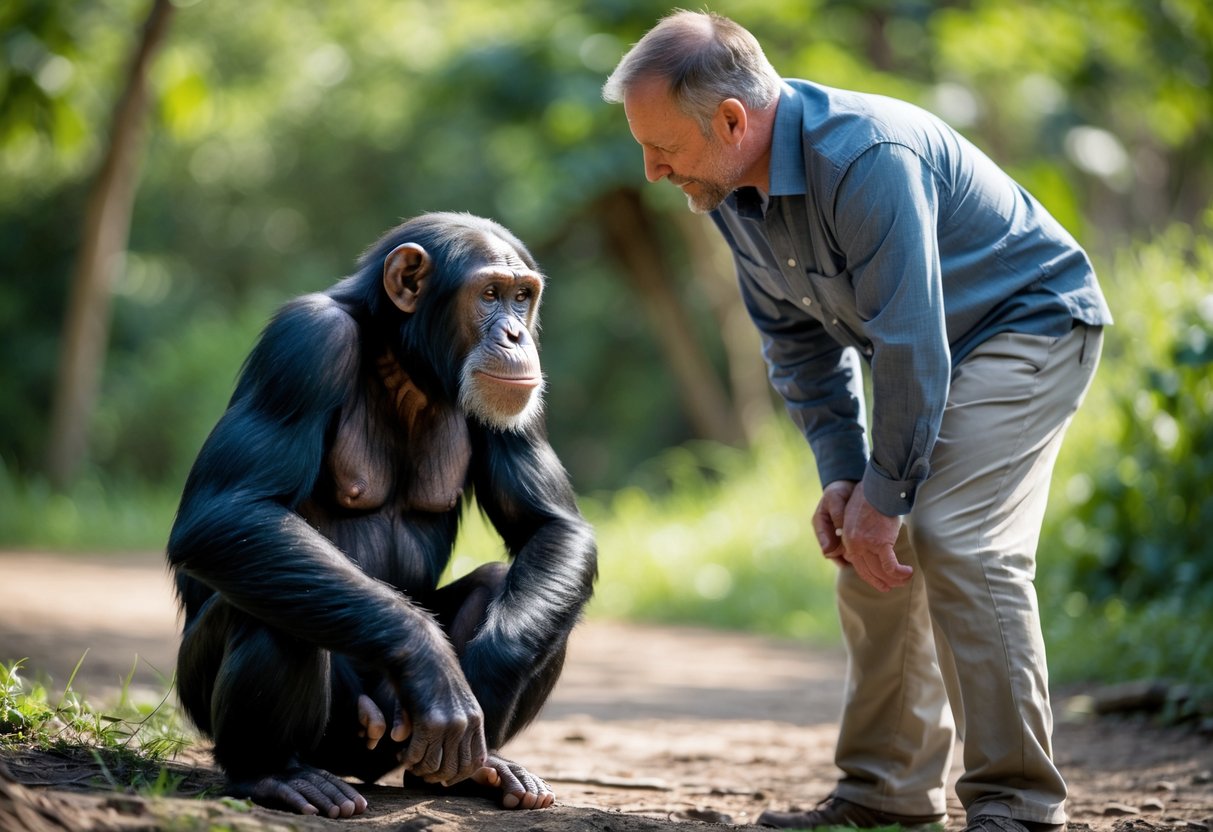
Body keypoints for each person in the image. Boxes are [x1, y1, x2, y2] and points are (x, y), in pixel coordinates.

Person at [602, 10, 1111, 832]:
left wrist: (889, 493)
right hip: (930, 352)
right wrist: (847, 481)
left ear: (732, 121)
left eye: (662, 148)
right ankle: (886, 794)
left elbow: (910, 345)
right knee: (867, 540)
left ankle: (1016, 803)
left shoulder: (864, 156)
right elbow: (798, 348)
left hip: (1028, 325)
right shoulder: (727, 188)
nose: (653, 172)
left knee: (950, 533)